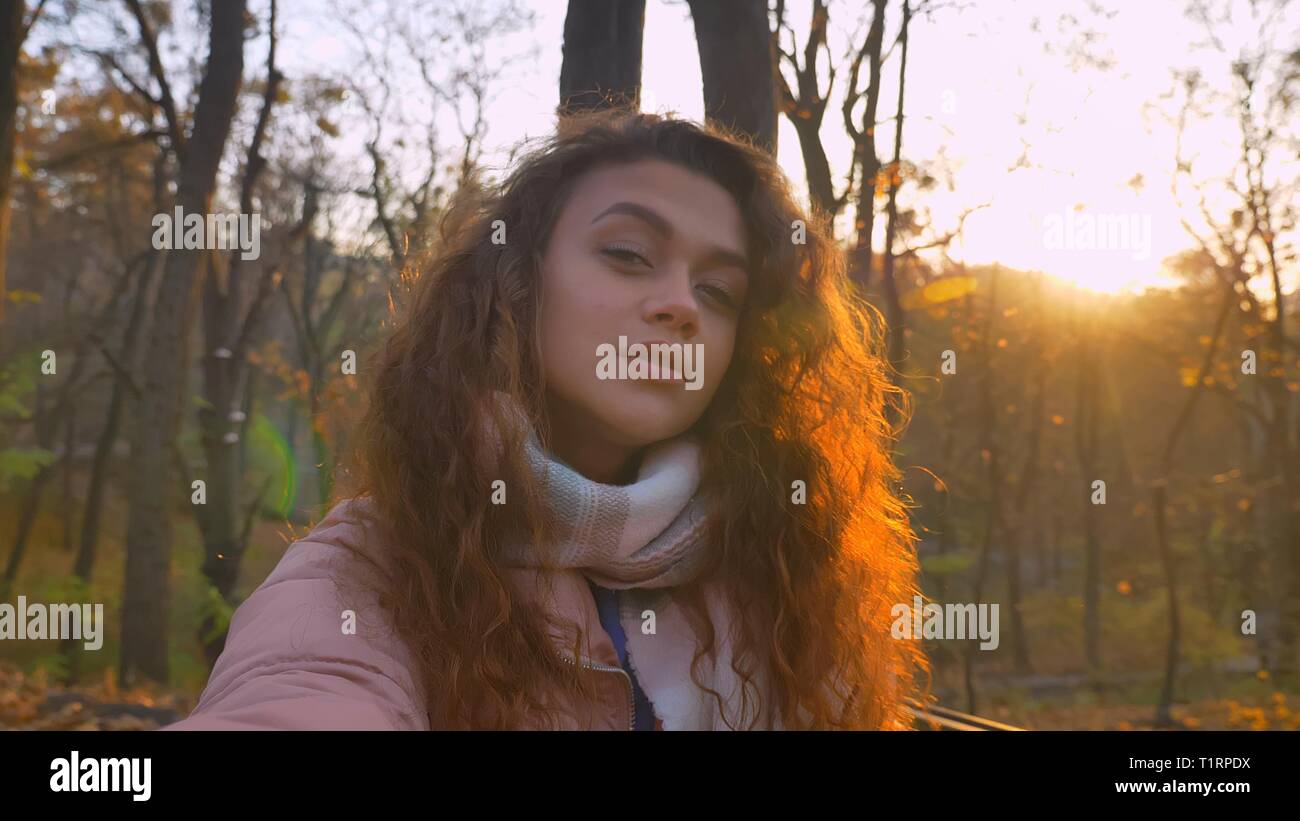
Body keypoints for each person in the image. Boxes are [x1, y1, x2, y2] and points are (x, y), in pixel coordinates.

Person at [162, 108, 928, 731]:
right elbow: (298, 697)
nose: (682, 305)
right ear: (518, 286)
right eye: (629, 254)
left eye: (719, 291)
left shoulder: (784, 572)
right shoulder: (370, 569)